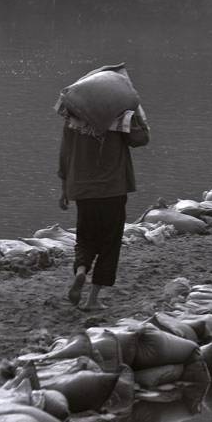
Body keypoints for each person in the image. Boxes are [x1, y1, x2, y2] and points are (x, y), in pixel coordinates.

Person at [58, 106, 150, 309]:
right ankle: (92, 299)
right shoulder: (120, 112)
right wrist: (138, 119)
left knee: (85, 237)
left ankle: (81, 270)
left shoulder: (75, 113)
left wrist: (64, 189)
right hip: (113, 189)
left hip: (84, 189)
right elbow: (140, 139)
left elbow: (65, 153)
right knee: (110, 243)